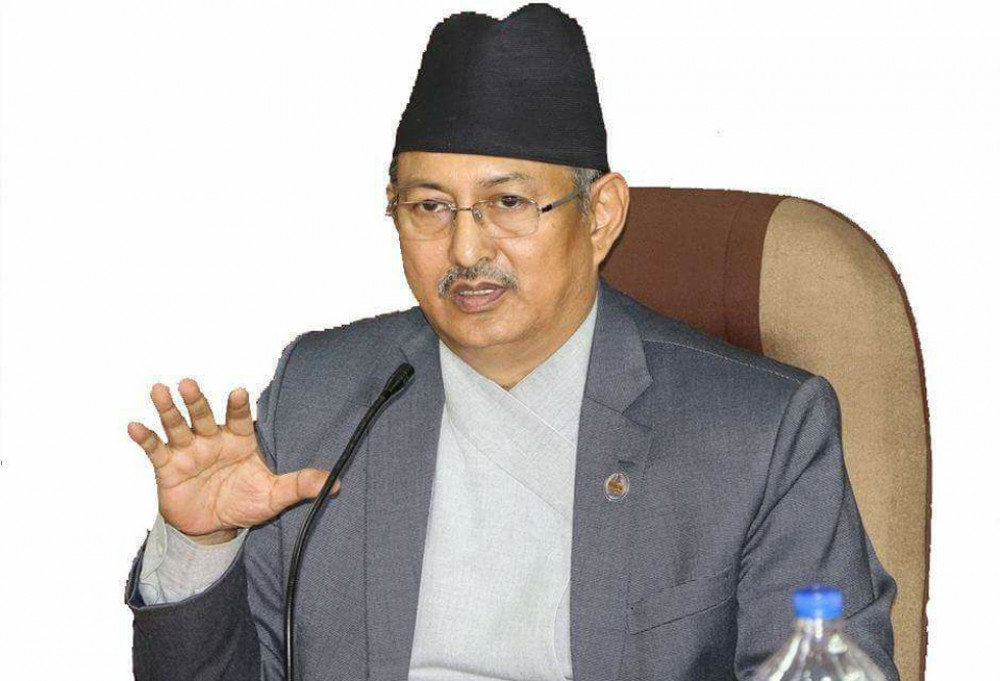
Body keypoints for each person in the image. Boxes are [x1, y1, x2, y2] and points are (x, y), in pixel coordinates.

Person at [122, 4, 899, 680]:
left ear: (600, 216)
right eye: (429, 207)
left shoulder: (759, 433)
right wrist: (200, 545)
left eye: (509, 203)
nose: (466, 250)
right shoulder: (321, 396)